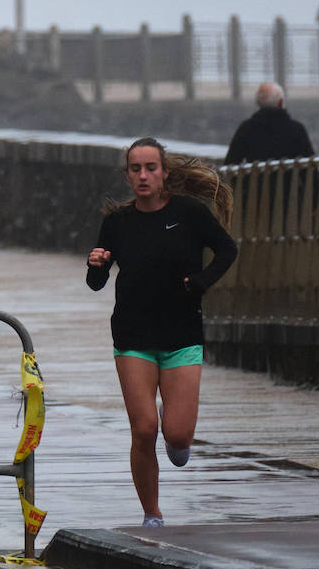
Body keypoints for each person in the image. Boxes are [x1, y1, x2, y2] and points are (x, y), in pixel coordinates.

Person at [85, 137, 238, 527]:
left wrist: (200, 283)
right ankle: (152, 513)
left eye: (150, 168)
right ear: (127, 175)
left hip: (181, 334)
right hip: (133, 336)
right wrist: (97, 264)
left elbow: (227, 250)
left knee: (177, 433)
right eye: (135, 169)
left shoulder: (190, 213)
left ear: (165, 173)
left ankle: (178, 443)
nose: (143, 175)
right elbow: (96, 283)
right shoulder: (117, 222)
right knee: (144, 429)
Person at [224, 82, 315, 165]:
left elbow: (231, 162)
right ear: (280, 102)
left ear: (258, 103)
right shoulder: (297, 129)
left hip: (255, 183)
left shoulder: (246, 128)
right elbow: (309, 165)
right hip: (287, 183)